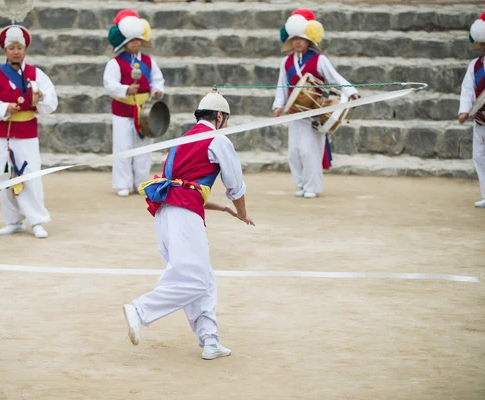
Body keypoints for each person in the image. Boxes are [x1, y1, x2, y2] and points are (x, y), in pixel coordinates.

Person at [122, 89, 254, 360]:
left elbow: (184, 186)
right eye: (225, 119)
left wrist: (223, 208)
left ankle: (210, 340)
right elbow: (235, 185)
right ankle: (141, 309)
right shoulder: (218, 140)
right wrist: (241, 211)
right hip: (183, 214)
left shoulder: (183, 140)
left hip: (166, 214)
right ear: (220, 116)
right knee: (193, 280)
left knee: (203, 279)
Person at [0, 25, 58, 238]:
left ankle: (37, 221)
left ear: (25, 50)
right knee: (4, 176)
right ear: (5, 51)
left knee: (30, 175)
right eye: (12, 47)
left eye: (19, 47)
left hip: (27, 132)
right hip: (2, 133)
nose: (16, 51)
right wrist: (5, 107)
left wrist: (40, 97)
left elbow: (51, 100)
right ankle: (13, 220)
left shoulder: (36, 74)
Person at [272, 9, 360, 199]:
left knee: (309, 151)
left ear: (309, 40)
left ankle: (313, 186)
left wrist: (351, 92)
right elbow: (282, 86)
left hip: (314, 113)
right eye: (295, 38)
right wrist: (278, 105)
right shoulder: (286, 62)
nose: (297, 42)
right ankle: (300, 184)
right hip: (295, 112)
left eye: (302, 38)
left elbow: (335, 79)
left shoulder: (320, 59)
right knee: (294, 153)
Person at [103, 10, 165, 197]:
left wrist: (157, 90)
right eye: (132, 41)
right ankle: (123, 183)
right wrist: (125, 90)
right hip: (123, 110)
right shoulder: (115, 63)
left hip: (145, 111)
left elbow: (157, 79)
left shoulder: (148, 61)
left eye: (138, 40)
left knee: (143, 148)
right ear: (124, 43)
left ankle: (141, 182)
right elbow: (109, 84)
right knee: (123, 148)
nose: (136, 43)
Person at [458, 11, 485, 208]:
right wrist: (464, 110)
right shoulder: (474, 66)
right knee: (479, 156)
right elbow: (467, 90)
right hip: (480, 118)